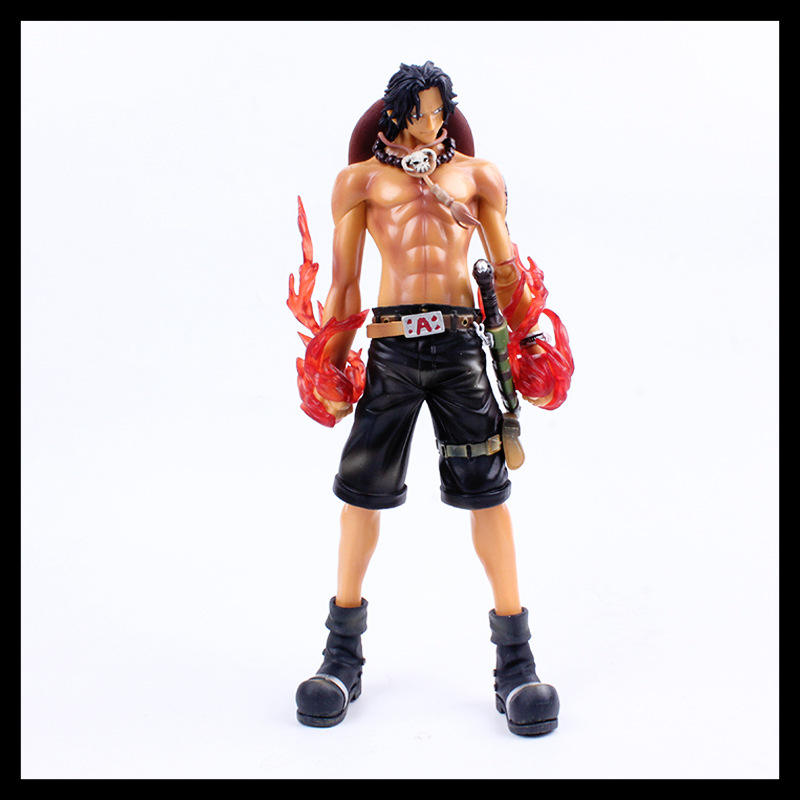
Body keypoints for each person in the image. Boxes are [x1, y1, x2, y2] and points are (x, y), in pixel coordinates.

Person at [291, 61, 566, 735]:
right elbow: (345, 285)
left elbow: (507, 273)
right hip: (390, 351)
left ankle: (517, 663)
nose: (434, 121)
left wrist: (530, 344)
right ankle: (340, 656)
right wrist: (330, 360)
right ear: (397, 112)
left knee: (488, 491)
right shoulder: (360, 183)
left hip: (461, 349)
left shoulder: (478, 177)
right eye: (422, 110)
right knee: (362, 492)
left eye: (442, 109)